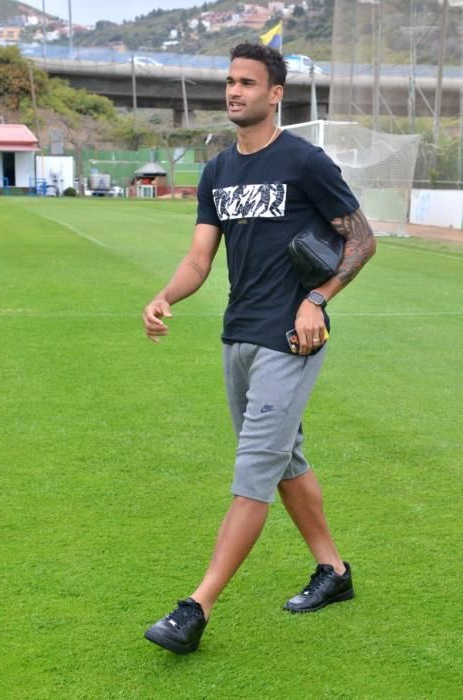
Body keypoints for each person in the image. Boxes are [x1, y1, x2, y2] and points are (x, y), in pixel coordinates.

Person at [142, 42, 376, 655]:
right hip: (238, 335)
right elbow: (200, 258)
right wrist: (166, 296)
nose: (234, 91)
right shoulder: (219, 171)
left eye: (247, 82)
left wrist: (317, 299)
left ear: (275, 94)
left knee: (253, 472)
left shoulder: (305, 162)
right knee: (284, 460)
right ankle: (334, 571)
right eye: (229, 81)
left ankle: (196, 607)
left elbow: (361, 241)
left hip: (292, 339)